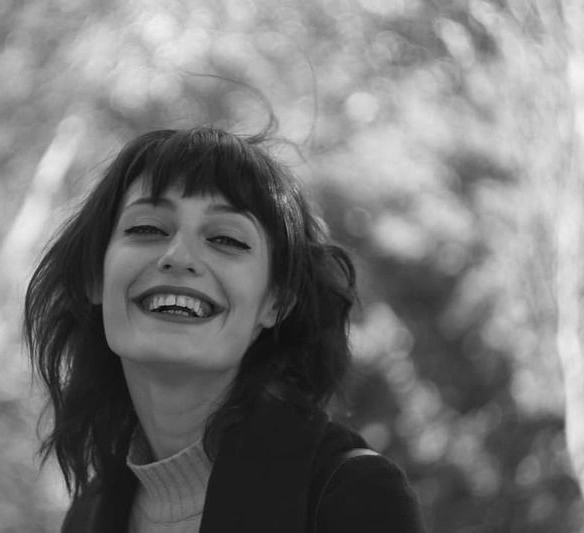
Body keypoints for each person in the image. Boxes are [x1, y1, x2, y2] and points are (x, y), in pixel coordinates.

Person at [24, 126, 426, 532]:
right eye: (146, 229)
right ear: (94, 277)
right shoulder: (85, 517)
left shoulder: (353, 495)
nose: (178, 256)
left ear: (277, 302)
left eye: (226, 239)